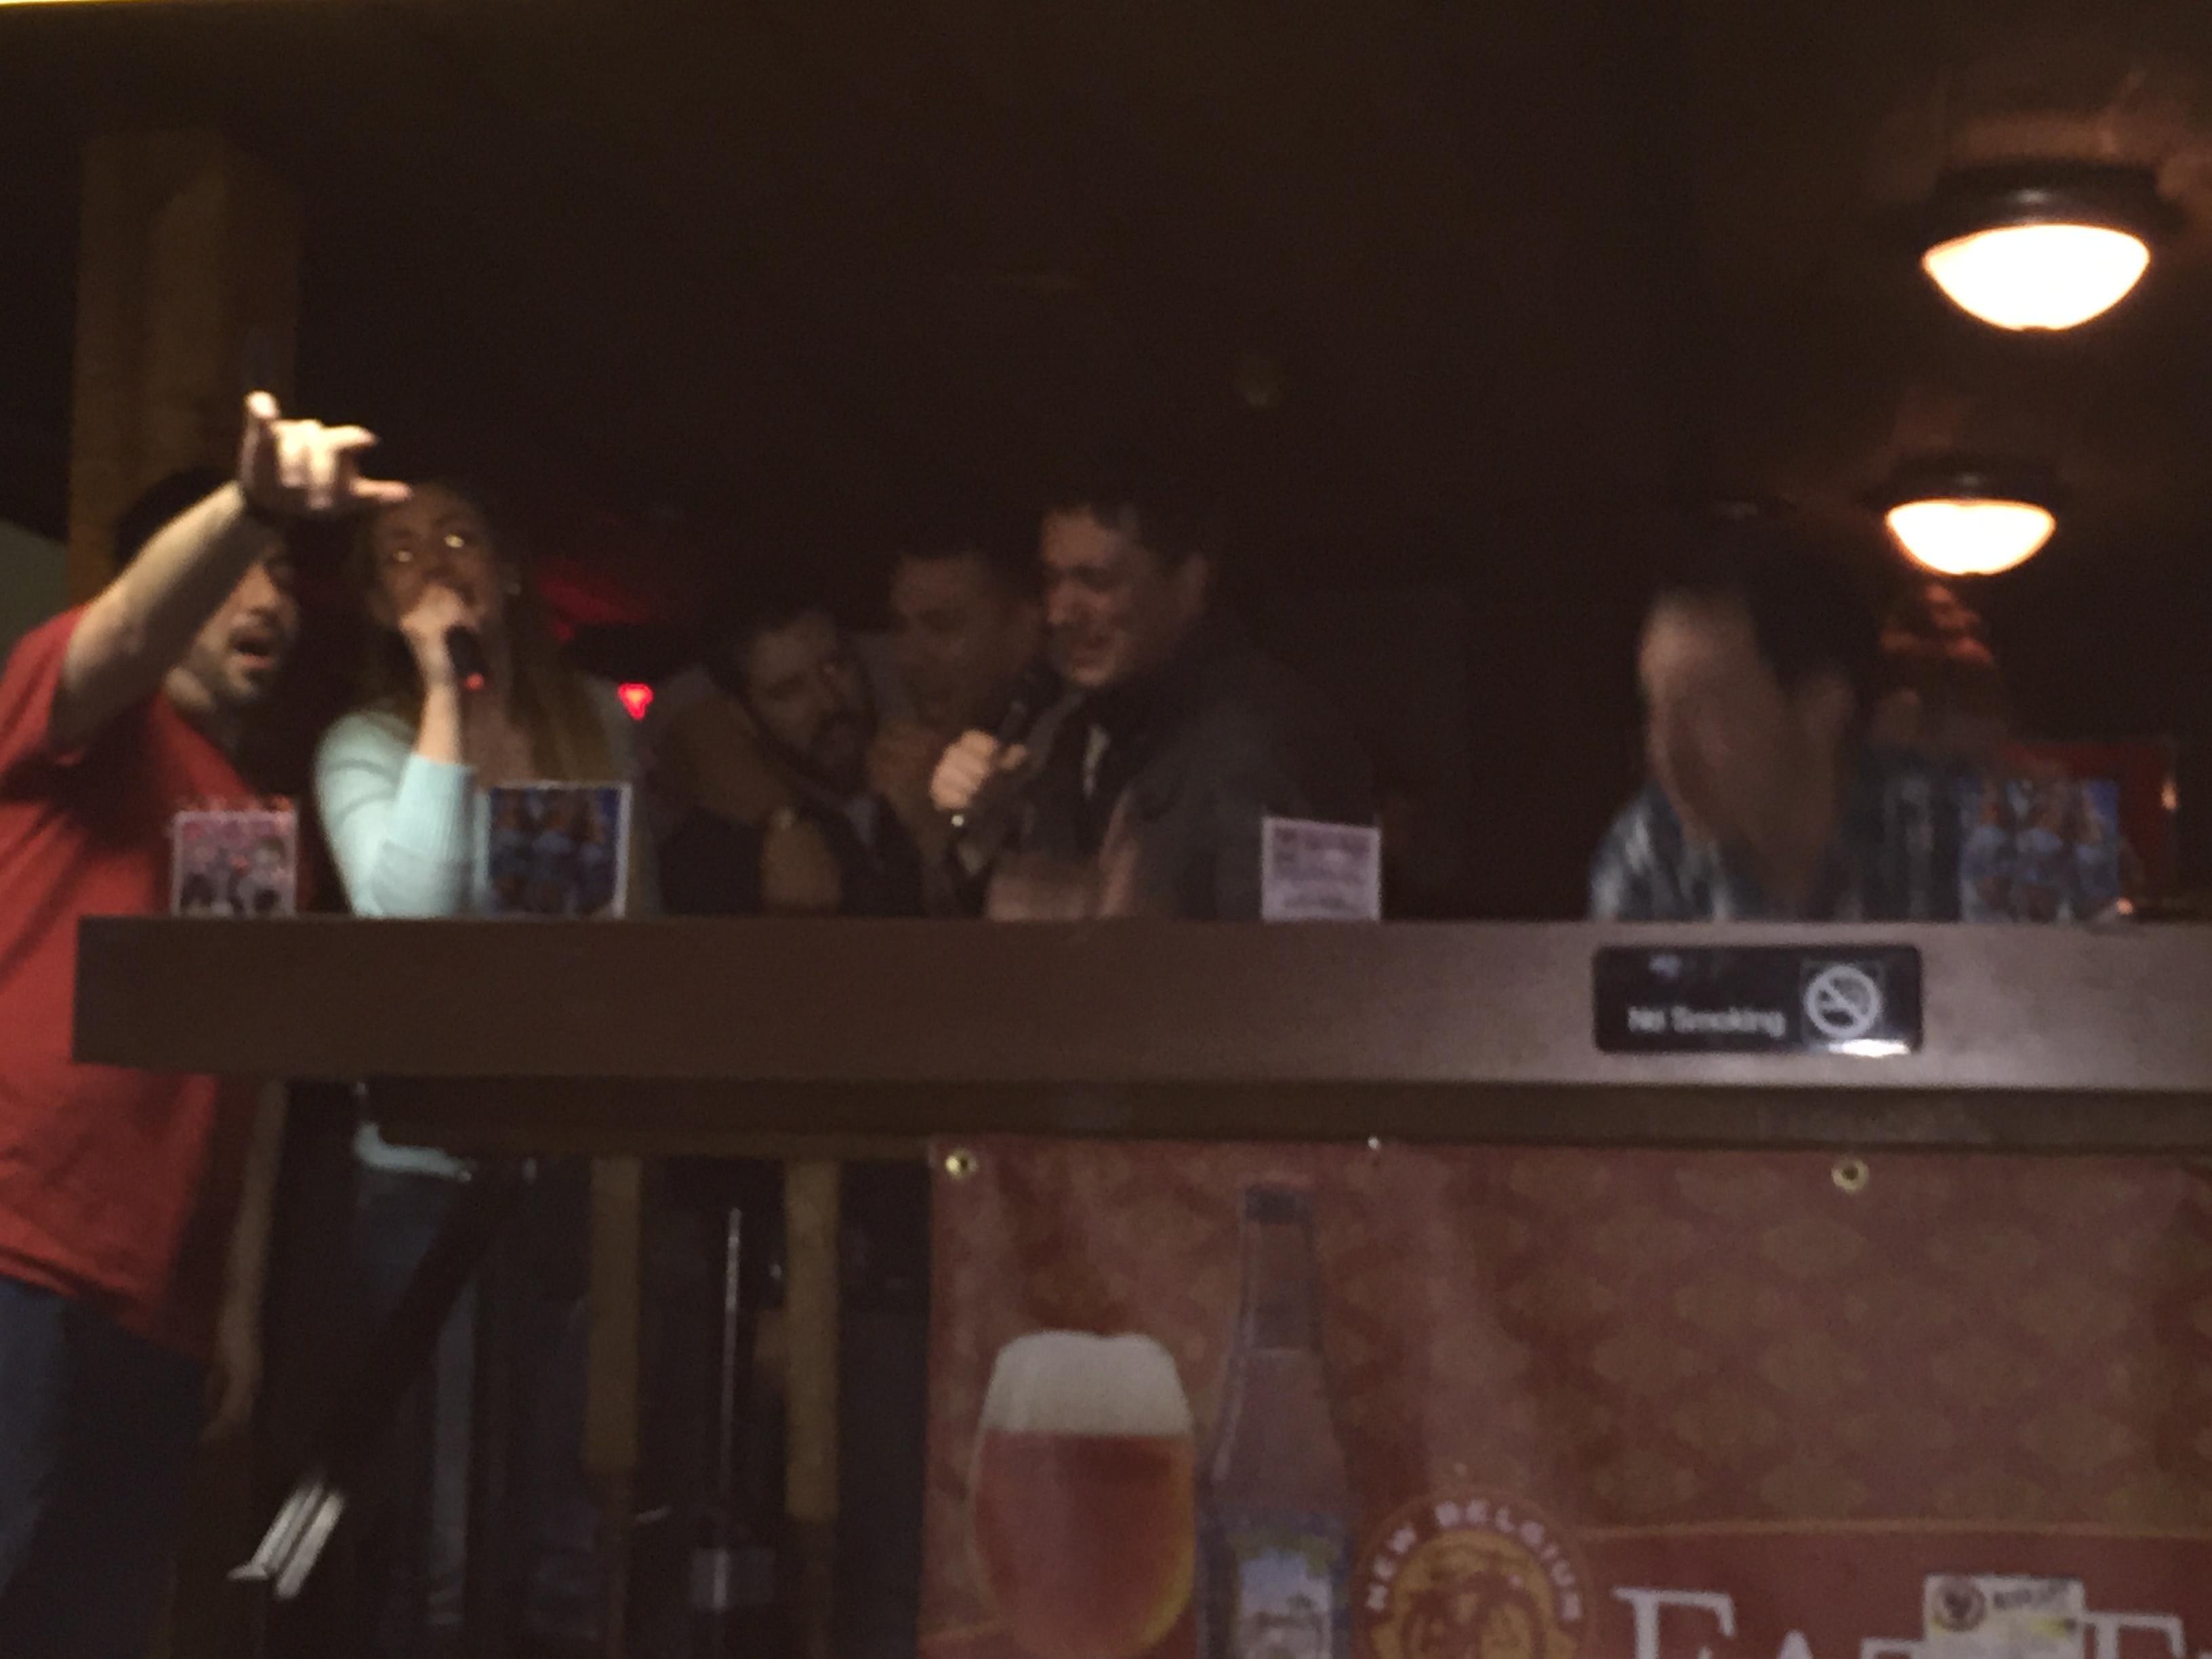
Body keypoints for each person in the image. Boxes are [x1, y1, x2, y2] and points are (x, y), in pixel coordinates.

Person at [0, 393, 400, 1658]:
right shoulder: (86, 714)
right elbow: (126, 629)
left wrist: (229, 1301)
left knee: (91, 1624)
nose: (267, 598)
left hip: (156, 1301)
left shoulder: (259, 824)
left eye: (281, 576)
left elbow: (252, 1073)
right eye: (234, 575)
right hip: (18, 1245)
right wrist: (251, 505)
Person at [314, 477, 649, 1657]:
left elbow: (634, 929)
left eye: (459, 537)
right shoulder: (361, 743)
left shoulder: (593, 720)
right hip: (423, 1174)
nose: (436, 564)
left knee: (568, 1532)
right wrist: (440, 702)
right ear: (376, 601)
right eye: (400, 552)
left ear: (507, 569)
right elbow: (405, 915)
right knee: (447, 1528)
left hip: (573, 1168)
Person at [929, 482, 1373, 919]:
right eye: (1052, 580)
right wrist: (982, 844)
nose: (1061, 612)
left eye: (1096, 581)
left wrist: (1126, 929)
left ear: (1189, 583)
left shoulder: (1285, 738)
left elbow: (1318, 951)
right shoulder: (1069, 736)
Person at [1589, 527, 1973, 922]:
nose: (1668, 751)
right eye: (1655, 710)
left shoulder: (1955, 834)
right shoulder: (1653, 847)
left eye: (1708, 710)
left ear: (1823, 706)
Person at [658, 597, 924, 918]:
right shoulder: (713, 861)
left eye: (835, 666)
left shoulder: (923, 777)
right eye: (789, 691)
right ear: (742, 716)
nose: (829, 702)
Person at [871, 532, 1048, 907]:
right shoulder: (884, 731)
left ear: (1024, 633)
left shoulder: (1066, 755)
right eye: (900, 627)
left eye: (942, 627)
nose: (910, 658)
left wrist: (937, 835)